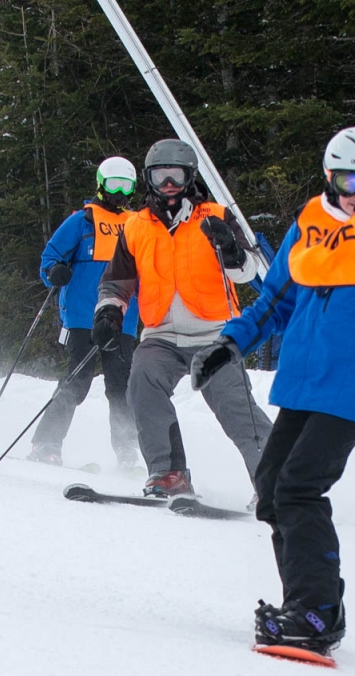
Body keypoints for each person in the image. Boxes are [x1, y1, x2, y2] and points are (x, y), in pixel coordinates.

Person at [190, 126, 355, 655]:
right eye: (350, 180)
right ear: (330, 177)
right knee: (272, 488)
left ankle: (316, 614)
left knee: (299, 488)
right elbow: (275, 302)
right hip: (304, 381)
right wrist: (227, 344)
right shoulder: (308, 228)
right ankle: (306, 604)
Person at [92, 139, 272, 499]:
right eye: (160, 176)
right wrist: (110, 310)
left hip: (215, 332)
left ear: (190, 177)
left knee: (234, 406)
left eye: (176, 175)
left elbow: (248, 271)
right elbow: (116, 282)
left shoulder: (216, 217)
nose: (169, 184)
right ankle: (169, 472)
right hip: (161, 334)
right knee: (141, 384)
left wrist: (231, 249)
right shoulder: (136, 227)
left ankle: (274, 480)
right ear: (149, 179)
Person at [29, 157, 142, 469]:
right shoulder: (82, 221)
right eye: (113, 184)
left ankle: (127, 450)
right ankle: (46, 442)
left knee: (121, 385)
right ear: (101, 185)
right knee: (77, 381)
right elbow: (50, 256)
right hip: (82, 315)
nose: (119, 191)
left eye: (126, 185)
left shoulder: (138, 225)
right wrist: (54, 272)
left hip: (123, 318)